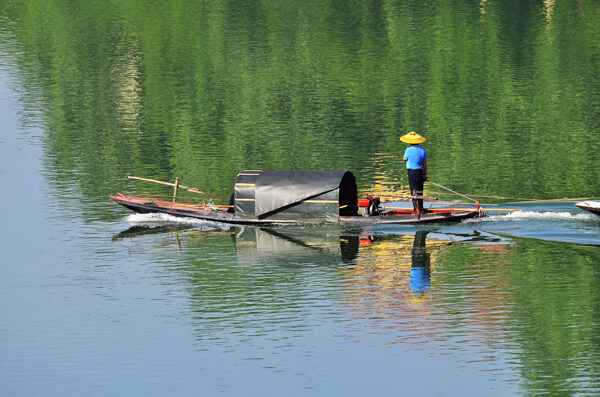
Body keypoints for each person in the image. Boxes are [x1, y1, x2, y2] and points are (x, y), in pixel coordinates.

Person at [400, 131, 428, 215]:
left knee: (413, 190)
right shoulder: (423, 150)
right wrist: (425, 174)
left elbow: (404, 159)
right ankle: (421, 208)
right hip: (420, 172)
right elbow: (424, 164)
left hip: (412, 172)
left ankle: (416, 210)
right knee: (420, 190)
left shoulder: (408, 150)